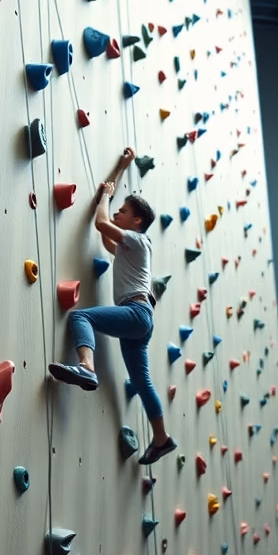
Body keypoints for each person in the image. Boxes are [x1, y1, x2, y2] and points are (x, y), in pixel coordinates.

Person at [49, 148, 178, 465]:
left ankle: (86, 367)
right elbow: (106, 227)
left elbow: (101, 223)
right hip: (141, 320)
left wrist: (106, 199)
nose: (117, 213)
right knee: (142, 381)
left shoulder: (137, 240)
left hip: (136, 313)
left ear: (137, 221)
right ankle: (162, 439)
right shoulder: (129, 247)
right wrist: (120, 168)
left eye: (124, 211)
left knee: (81, 317)